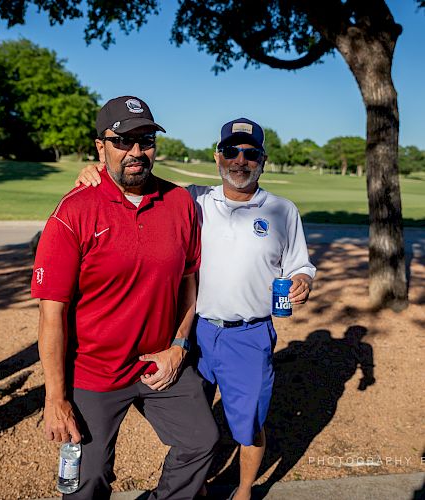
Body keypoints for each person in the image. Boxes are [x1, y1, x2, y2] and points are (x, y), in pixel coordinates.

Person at [77, 117, 316, 500]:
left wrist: (303, 280)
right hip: (196, 331)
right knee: (195, 422)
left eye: (250, 153)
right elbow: (133, 179)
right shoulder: (192, 198)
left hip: (250, 333)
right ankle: (197, 488)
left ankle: (242, 492)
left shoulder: (282, 210)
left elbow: (300, 264)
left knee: (249, 422)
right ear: (217, 156)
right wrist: (95, 170)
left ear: (263, 159)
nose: (240, 160)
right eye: (230, 151)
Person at [32, 95, 219, 500]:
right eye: (123, 141)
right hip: (94, 373)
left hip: (158, 363)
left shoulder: (180, 202)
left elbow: (189, 282)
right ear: (101, 148)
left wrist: (178, 346)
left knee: (201, 441)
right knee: (87, 482)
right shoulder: (73, 211)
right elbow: (52, 314)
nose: (137, 151)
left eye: (146, 139)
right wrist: (55, 397)